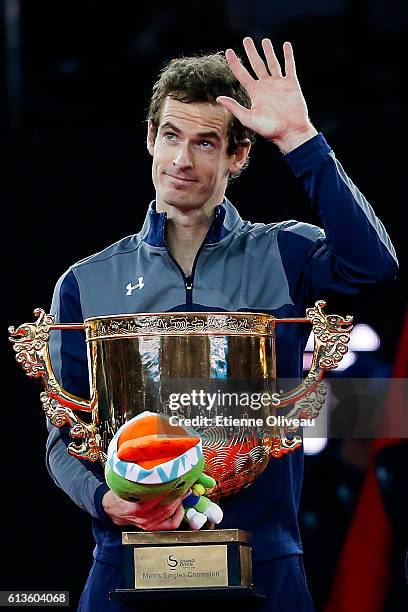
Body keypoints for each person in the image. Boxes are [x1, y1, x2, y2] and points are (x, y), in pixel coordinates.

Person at [46, 37, 398, 611]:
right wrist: (104, 500)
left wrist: (298, 140)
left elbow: (374, 266)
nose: (182, 160)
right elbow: (63, 436)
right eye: (170, 136)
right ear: (150, 140)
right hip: (126, 556)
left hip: (267, 559)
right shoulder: (86, 283)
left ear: (237, 157)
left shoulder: (284, 254)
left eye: (205, 143)